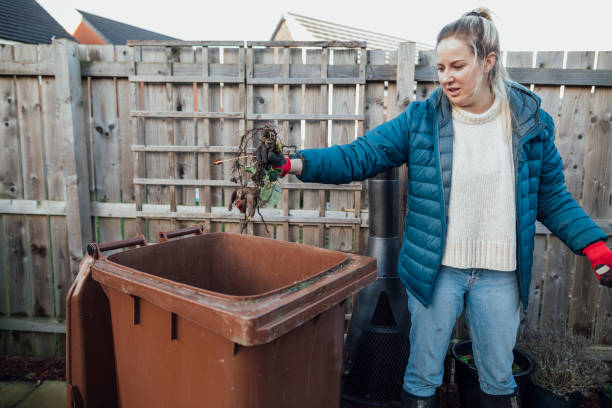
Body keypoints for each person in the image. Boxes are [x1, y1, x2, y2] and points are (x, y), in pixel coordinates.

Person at [271, 7, 612, 408]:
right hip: (437, 271)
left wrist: (594, 246)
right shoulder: (422, 119)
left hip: (500, 275)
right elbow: (360, 155)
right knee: (422, 372)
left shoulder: (528, 122)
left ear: (488, 62)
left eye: (457, 65)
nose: (446, 76)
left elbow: (552, 198)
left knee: (499, 378)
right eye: (441, 67)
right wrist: (295, 163)